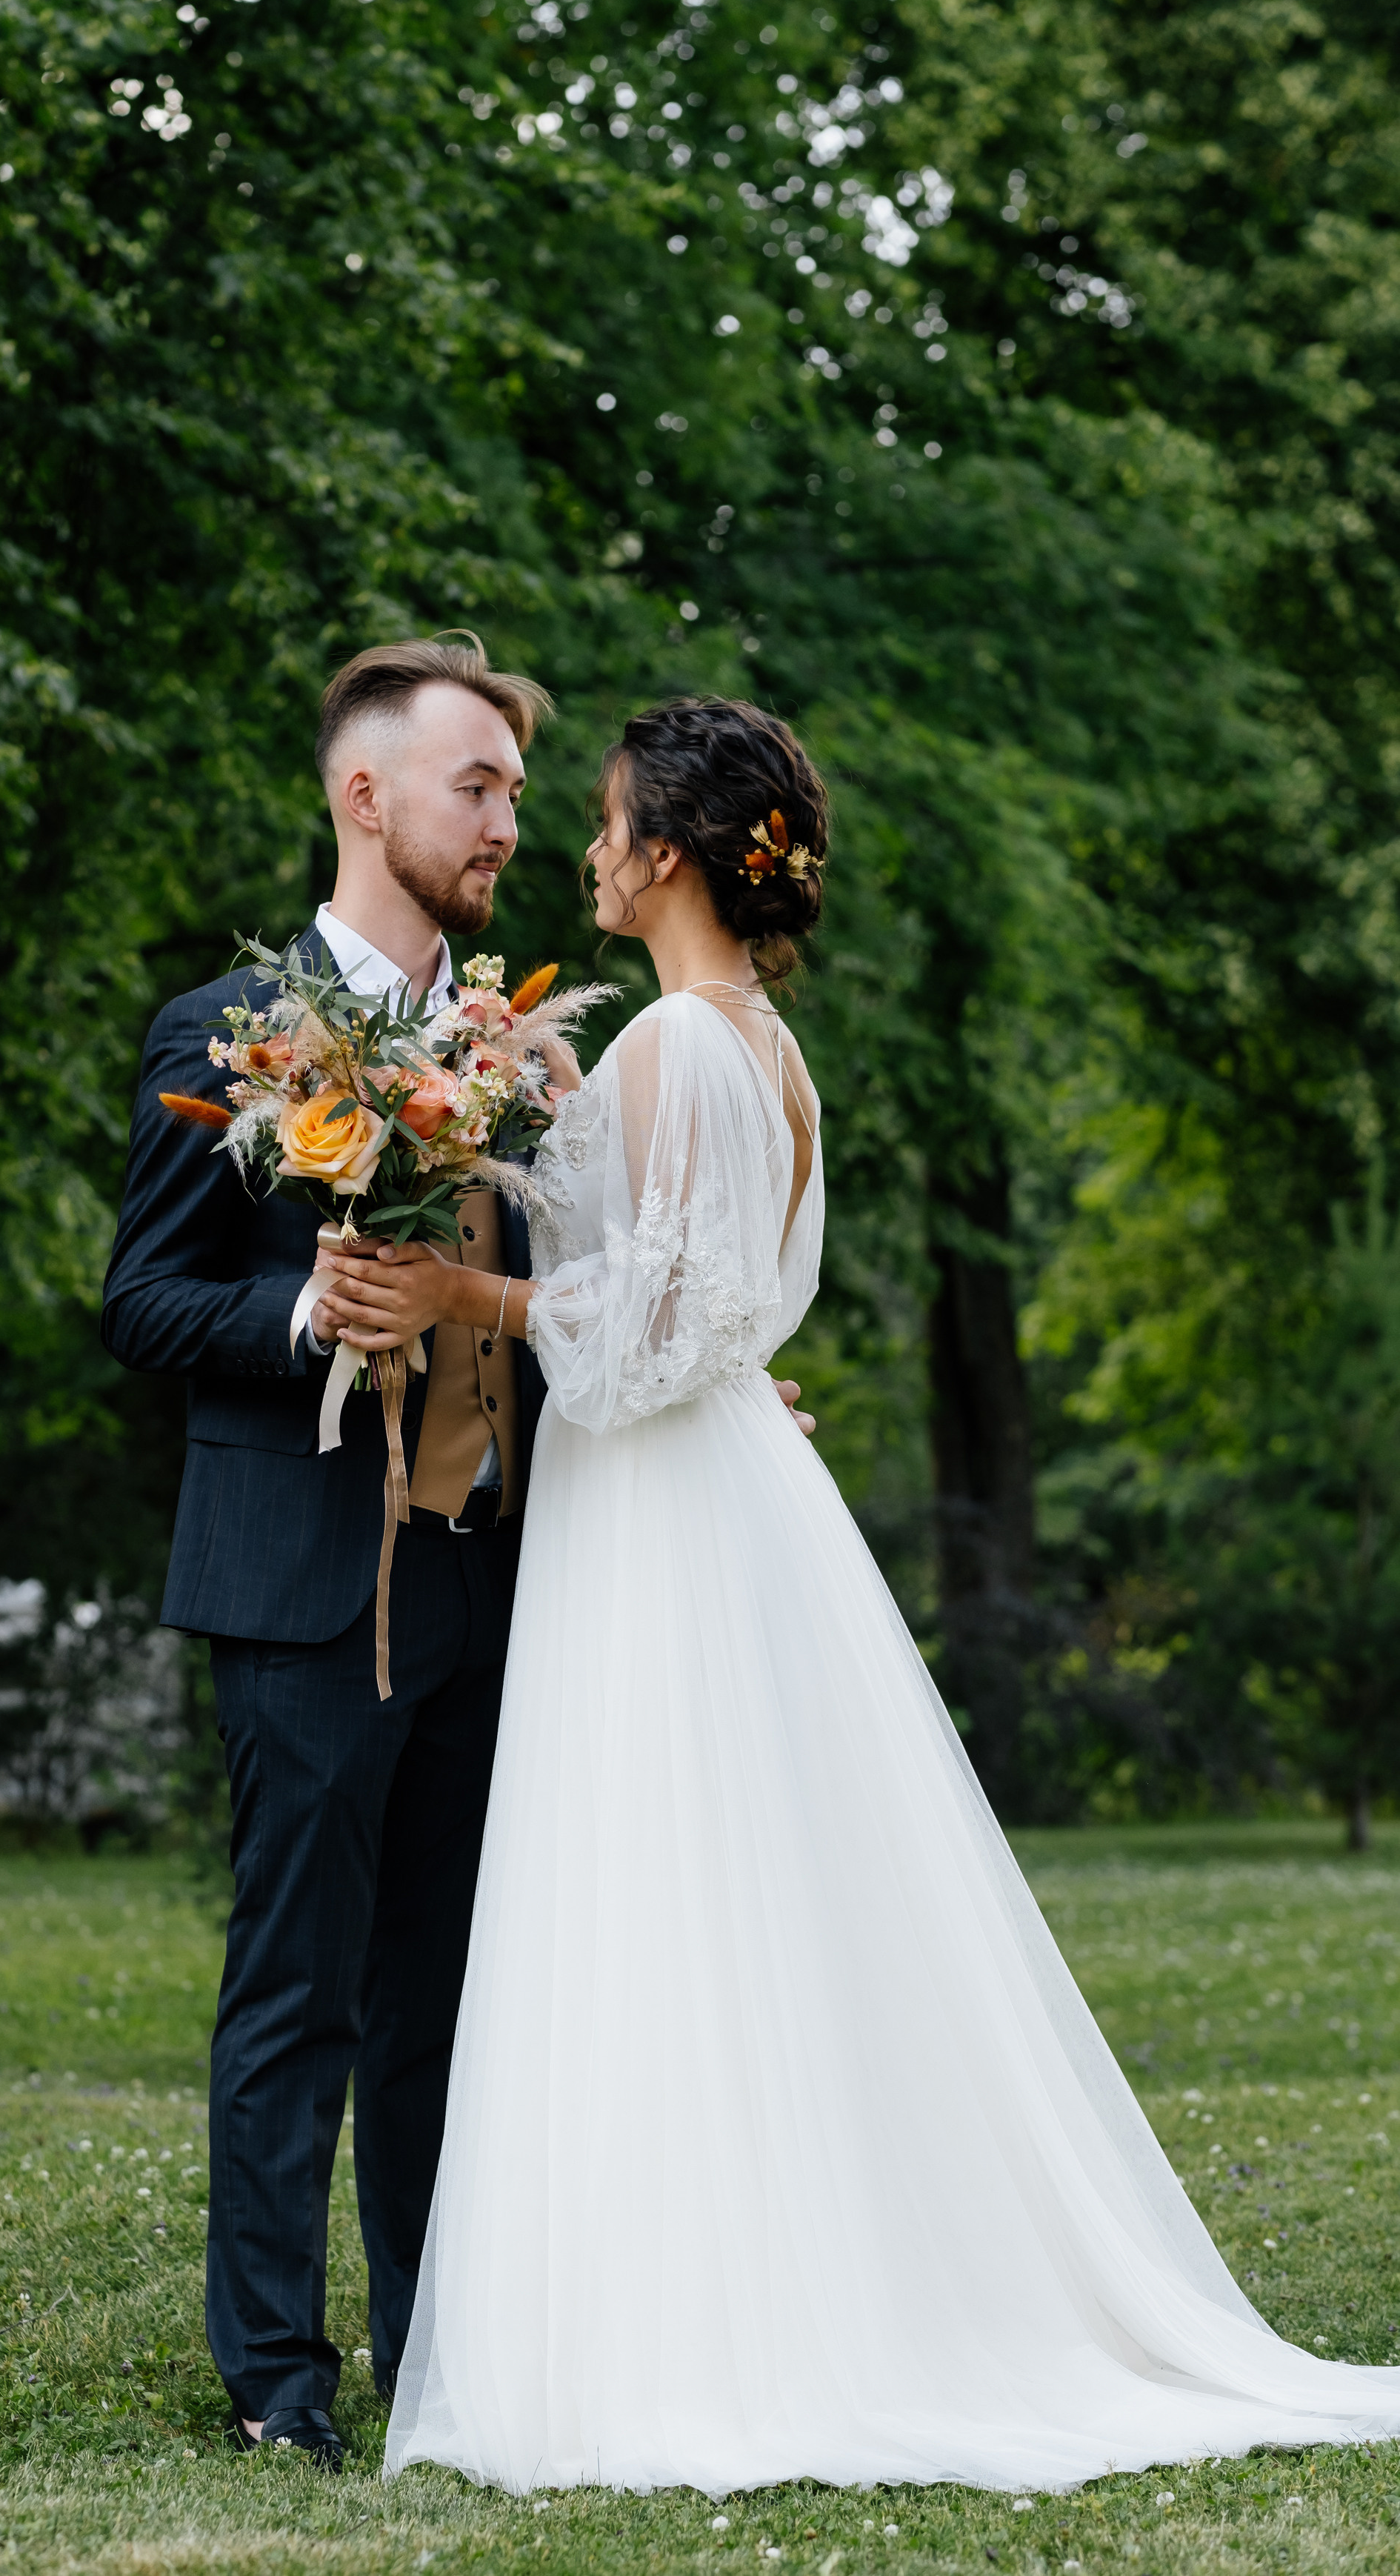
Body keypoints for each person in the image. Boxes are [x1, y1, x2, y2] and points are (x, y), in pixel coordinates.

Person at [318, 693, 1400, 2497]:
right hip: (725, 1490)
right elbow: (707, 1296)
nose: (580, 848)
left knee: (664, 1885)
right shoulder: (755, 1046)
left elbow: (654, 1333)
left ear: (665, 851)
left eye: (598, 820)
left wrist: (464, 1299)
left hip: (663, 1510)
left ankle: (693, 2327)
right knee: (739, 1889)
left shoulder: (679, 1039)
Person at [103, 634, 822, 2469]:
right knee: (300, 1988)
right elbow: (147, 1298)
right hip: (304, 1577)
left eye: (521, 792)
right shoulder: (222, 1033)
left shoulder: (526, 1049)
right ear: (367, 795)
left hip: (507, 1583)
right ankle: (280, 2377)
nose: (508, 820)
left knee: (446, 1992)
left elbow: (629, 1281)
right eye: (478, 786)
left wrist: (723, 1391)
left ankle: (444, 2350)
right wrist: (302, 1317)